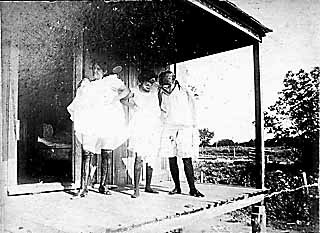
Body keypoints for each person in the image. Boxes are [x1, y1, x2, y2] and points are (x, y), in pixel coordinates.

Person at [67, 63, 130, 197]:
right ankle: (84, 187)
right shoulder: (88, 84)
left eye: (98, 69)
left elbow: (126, 91)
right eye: (94, 69)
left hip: (107, 121)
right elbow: (80, 100)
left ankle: (103, 185)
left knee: (106, 153)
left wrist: (115, 98)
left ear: (105, 70)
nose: (95, 72)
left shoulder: (111, 81)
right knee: (87, 152)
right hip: (92, 122)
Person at [158, 70, 204, 197]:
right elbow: (162, 110)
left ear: (174, 81)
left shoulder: (184, 90)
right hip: (169, 127)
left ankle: (192, 188)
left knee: (186, 157)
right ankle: (177, 187)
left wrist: (193, 125)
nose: (166, 87)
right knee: (171, 157)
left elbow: (193, 106)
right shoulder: (161, 93)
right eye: (163, 85)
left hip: (185, 127)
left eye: (168, 84)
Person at [124, 69, 162, 198]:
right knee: (139, 157)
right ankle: (136, 189)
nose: (149, 85)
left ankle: (148, 186)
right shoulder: (134, 91)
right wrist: (132, 106)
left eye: (152, 82)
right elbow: (122, 99)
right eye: (147, 82)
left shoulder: (154, 92)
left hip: (152, 127)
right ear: (141, 81)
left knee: (150, 157)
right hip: (139, 127)